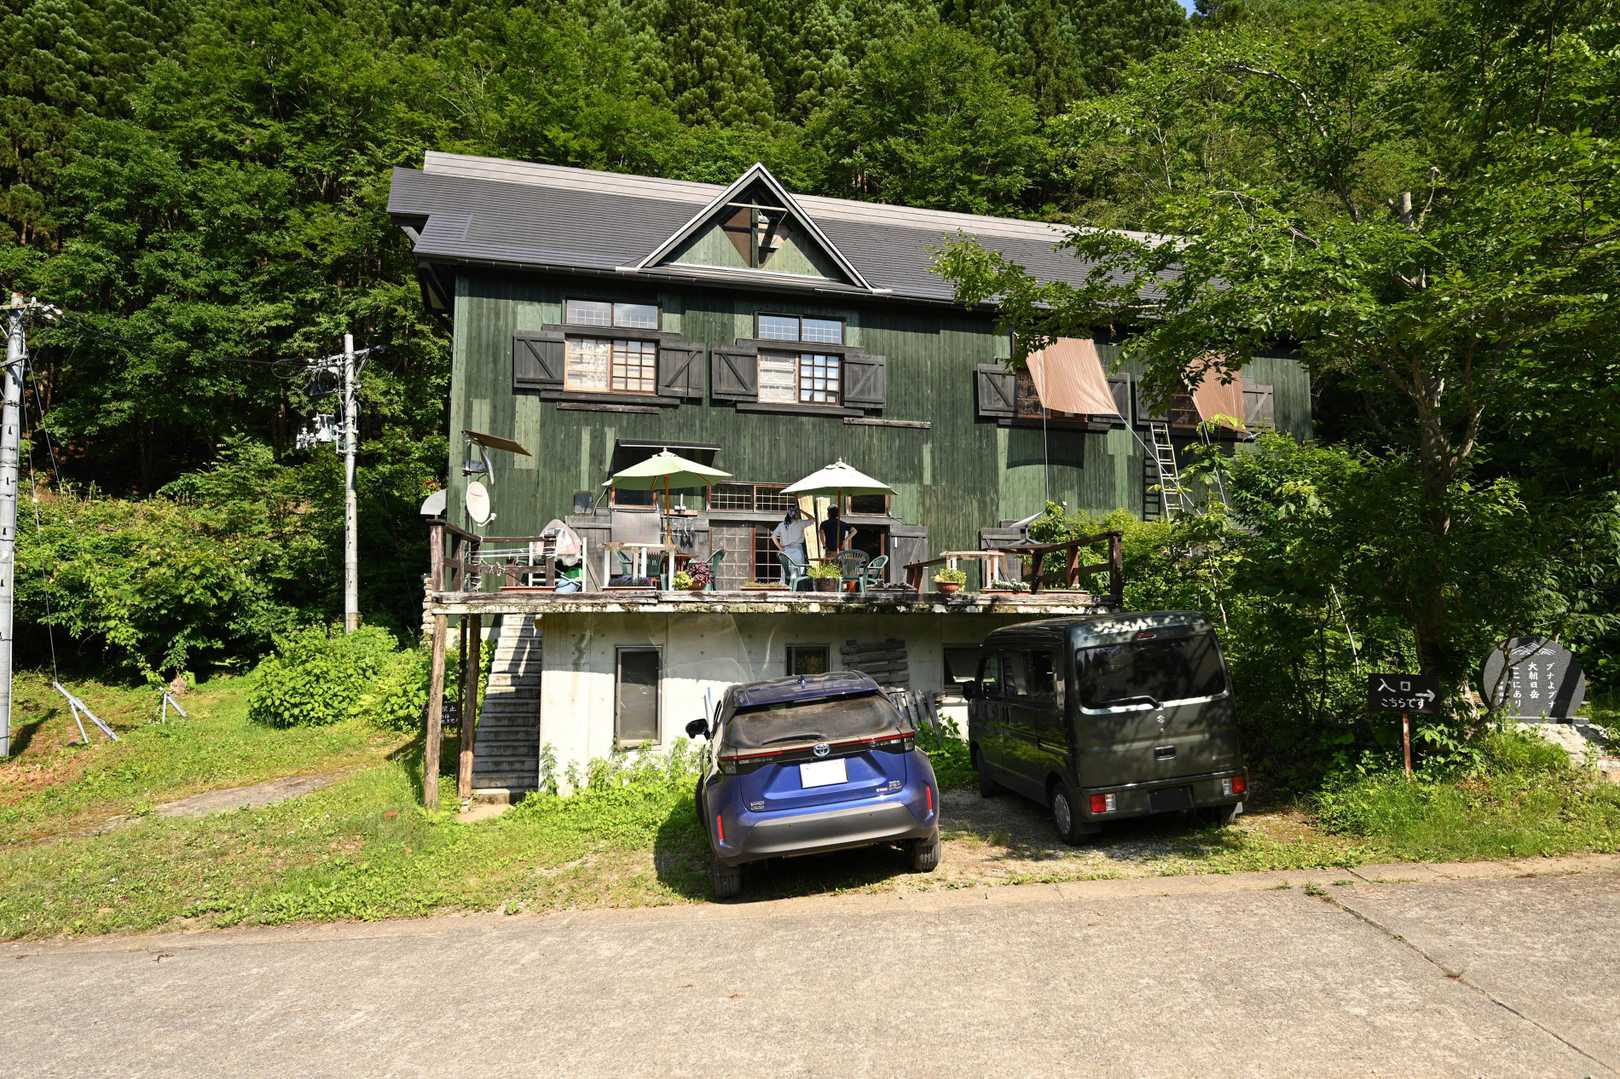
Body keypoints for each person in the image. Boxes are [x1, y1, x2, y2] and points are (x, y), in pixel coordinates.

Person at [770, 506, 810, 581]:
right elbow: (812, 519)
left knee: (785, 571)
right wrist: (802, 511)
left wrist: (780, 548)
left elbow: (773, 536)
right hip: (797, 550)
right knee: (797, 571)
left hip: (786, 550)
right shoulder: (800, 523)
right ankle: (795, 586)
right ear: (796, 515)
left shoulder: (782, 524)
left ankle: (785, 585)